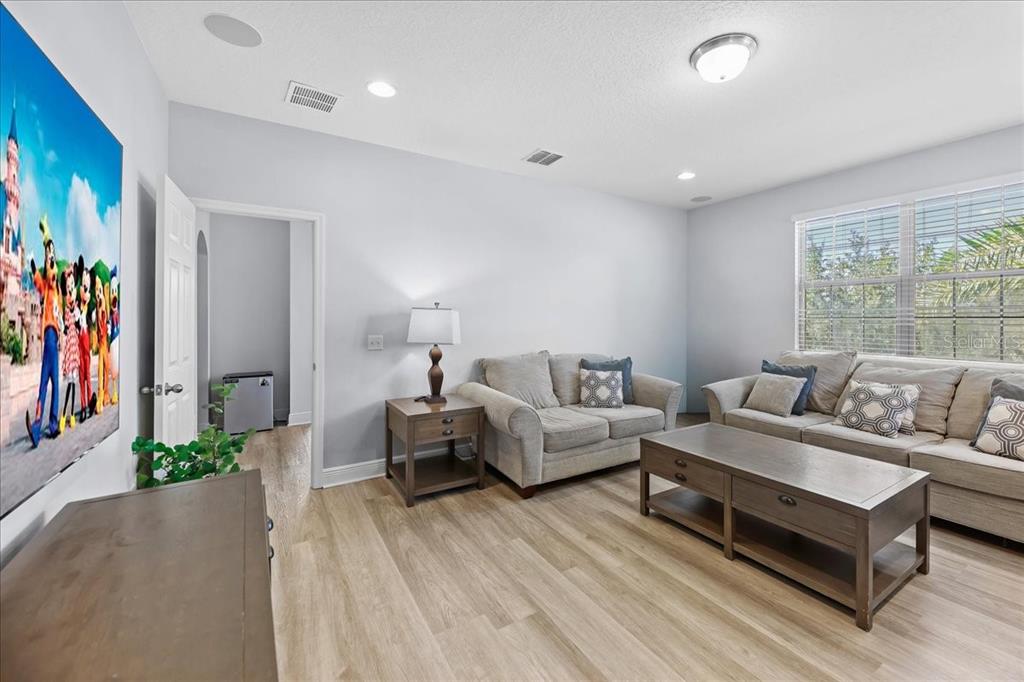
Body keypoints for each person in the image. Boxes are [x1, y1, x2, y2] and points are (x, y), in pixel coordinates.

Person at [25, 216, 61, 447]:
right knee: (48, 382)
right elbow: (40, 280)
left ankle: (45, 426)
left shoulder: (54, 285)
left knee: (50, 382)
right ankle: (42, 426)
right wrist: (32, 264)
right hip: (49, 336)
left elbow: (50, 273)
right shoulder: (48, 287)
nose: (50, 257)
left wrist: (47, 242)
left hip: (52, 337)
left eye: (51, 254)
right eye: (48, 255)